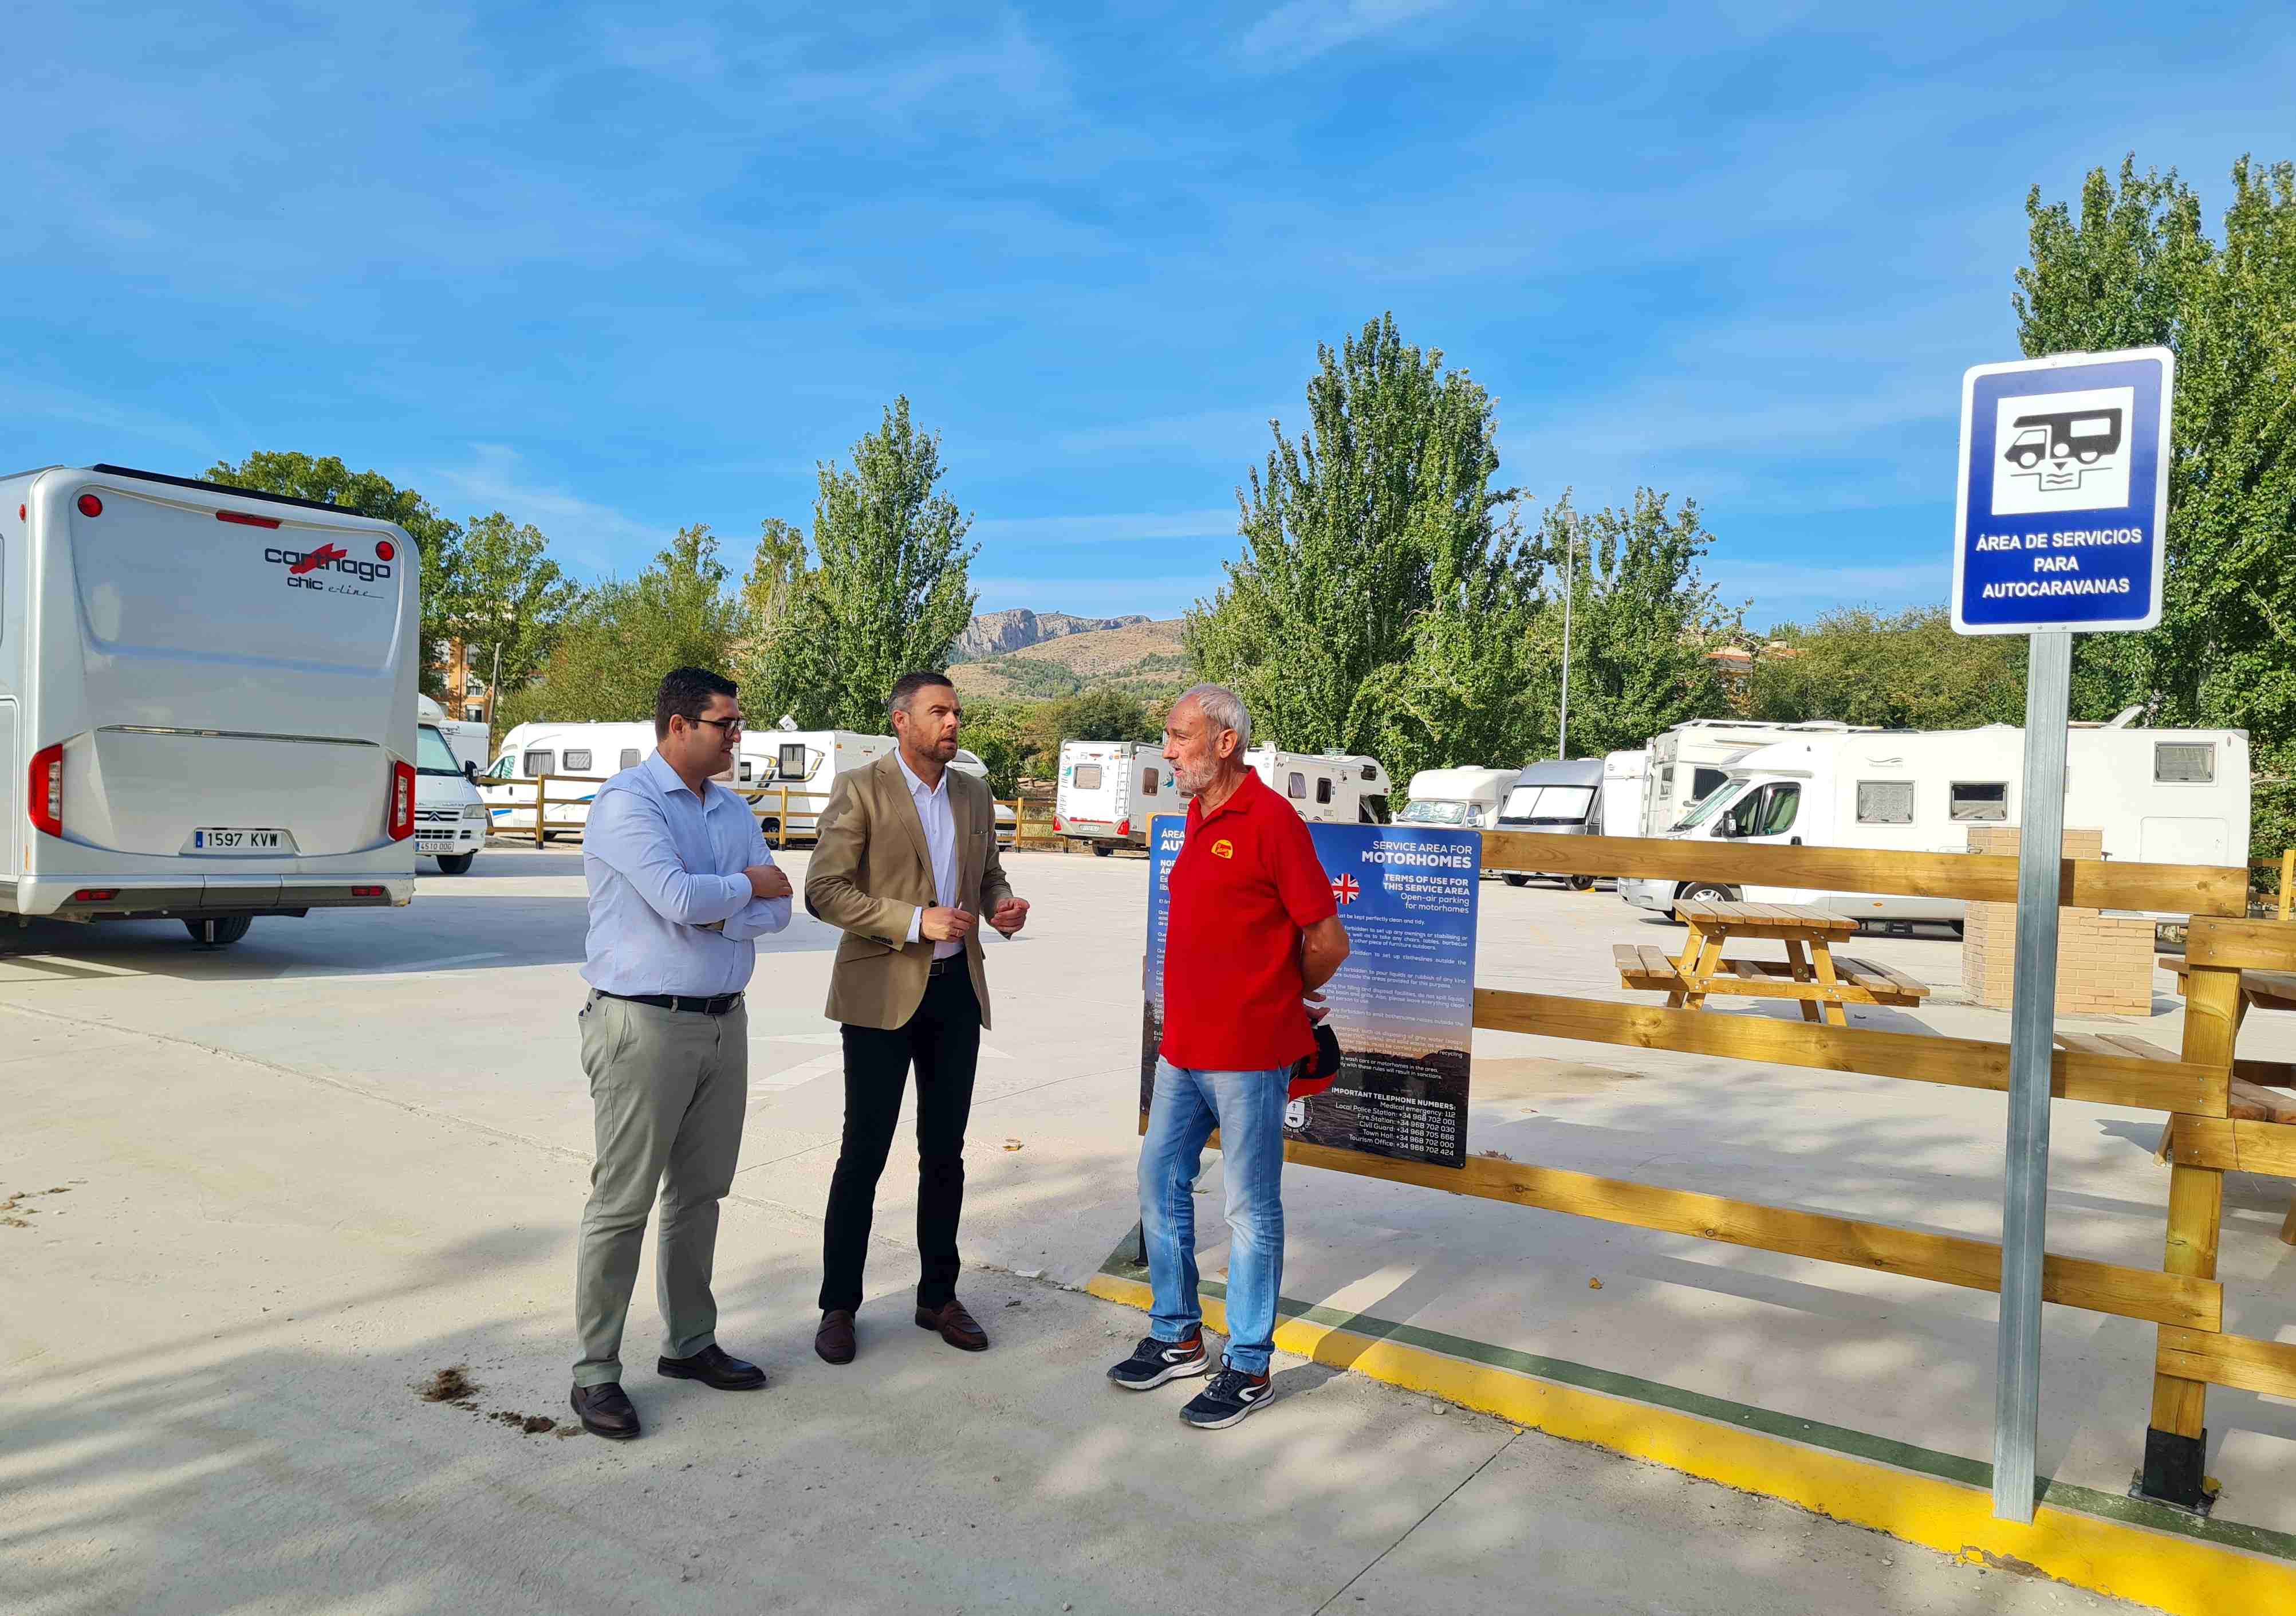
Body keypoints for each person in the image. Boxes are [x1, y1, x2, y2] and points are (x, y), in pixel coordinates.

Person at [1107, 683, 1349, 1429]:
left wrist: (1285, 993)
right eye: (1167, 736)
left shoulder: (1271, 820)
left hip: (1248, 1055)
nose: (1168, 750)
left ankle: (1247, 1365)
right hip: (1183, 1049)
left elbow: (1327, 939)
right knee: (1158, 1178)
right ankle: (1178, 1333)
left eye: (1180, 736)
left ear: (1224, 742)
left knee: (1248, 1205)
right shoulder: (1197, 811)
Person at [568, 667, 793, 1441]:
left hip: (723, 1020)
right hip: (643, 1024)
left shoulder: (731, 809)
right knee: (623, 1200)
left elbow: (777, 907)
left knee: (700, 1194)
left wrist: (726, 905)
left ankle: (690, 1342)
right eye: (724, 723)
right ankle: (596, 1371)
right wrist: (741, 889)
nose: (738, 736)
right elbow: (678, 898)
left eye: (737, 722)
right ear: (677, 727)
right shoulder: (627, 804)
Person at [805, 672, 1029, 1365]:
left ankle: (938, 1295)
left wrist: (1003, 904)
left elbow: (987, 873)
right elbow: (823, 890)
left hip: (956, 990)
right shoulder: (860, 787)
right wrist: (912, 922)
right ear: (902, 720)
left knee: (946, 1152)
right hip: (880, 993)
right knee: (863, 1154)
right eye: (939, 712)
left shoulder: (972, 791)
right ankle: (839, 1305)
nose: (953, 722)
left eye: (957, 711)